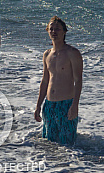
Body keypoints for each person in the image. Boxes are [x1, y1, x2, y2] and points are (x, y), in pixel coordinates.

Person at [34, 15, 83, 145]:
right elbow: (45, 81)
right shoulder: (47, 54)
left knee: (68, 145)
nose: (54, 32)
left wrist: (75, 105)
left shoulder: (73, 53)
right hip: (49, 105)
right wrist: (38, 105)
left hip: (66, 104)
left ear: (64, 31)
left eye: (57, 29)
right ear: (47, 31)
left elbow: (78, 81)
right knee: (50, 144)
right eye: (51, 29)